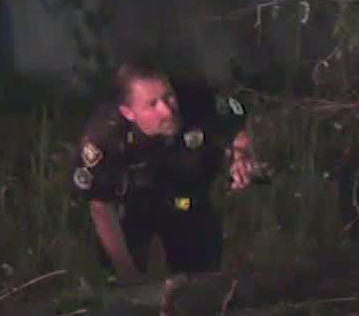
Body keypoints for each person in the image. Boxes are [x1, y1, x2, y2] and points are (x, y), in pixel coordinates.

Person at [71, 60, 259, 282]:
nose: (167, 111)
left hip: (185, 196)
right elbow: (101, 207)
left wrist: (241, 156)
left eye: (168, 97)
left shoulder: (195, 100)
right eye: (152, 104)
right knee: (118, 281)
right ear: (128, 113)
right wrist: (126, 272)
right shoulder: (105, 137)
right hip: (131, 205)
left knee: (201, 278)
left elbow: (236, 123)